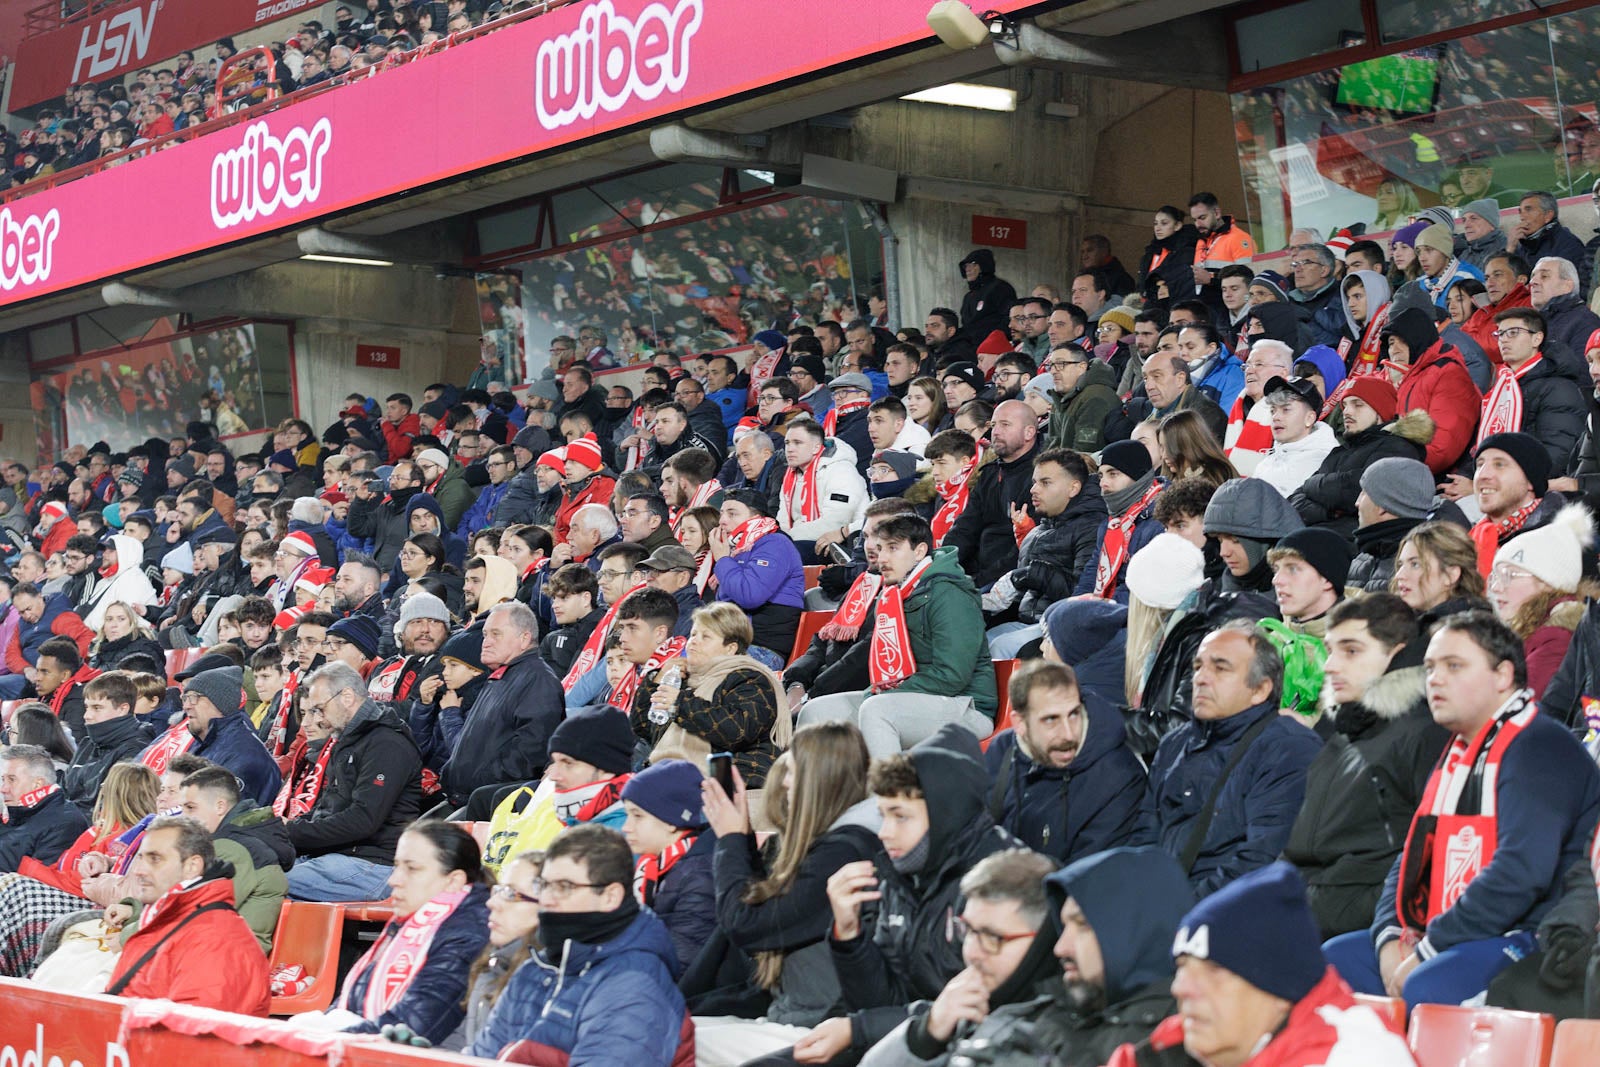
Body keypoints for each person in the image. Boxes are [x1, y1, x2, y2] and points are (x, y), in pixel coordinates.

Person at [1325, 611, 1600, 1005]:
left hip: (1533, 936)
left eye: (1454, 666)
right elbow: (1412, 856)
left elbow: (1521, 874)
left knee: (1431, 985)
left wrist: (1428, 949)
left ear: (1503, 676)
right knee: (1337, 961)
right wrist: (1390, 937)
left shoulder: (1540, 747)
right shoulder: (1459, 749)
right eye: (1431, 667)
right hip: (1451, 929)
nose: (1435, 678)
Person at [780, 725, 1016, 1067]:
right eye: (883, 816)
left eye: (900, 817)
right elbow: (878, 1001)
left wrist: (858, 1029)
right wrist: (849, 936)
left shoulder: (1002, 883)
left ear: (942, 814)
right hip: (898, 1040)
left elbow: (976, 1011)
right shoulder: (897, 874)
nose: (886, 833)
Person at [690, 724, 884, 1063]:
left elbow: (748, 926)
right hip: (787, 1016)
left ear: (817, 780)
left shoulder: (844, 854)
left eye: (793, 771)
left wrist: (730, 840)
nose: (784, 782)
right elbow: (759, 906)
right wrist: (743, 837)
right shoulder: (828, 846)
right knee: (666, 1025)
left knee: (664, 1039)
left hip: (818, 1032)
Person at [1117, 863, 1417, 1067]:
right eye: (1182, 967)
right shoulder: (1183, 1041)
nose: (1180, 988)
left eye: (1214, 970)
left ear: (1278, 989)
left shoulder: (1353, 1055)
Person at [1283, 594, 1450, 938]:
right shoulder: (1346, 729)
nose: (1330, 665)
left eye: (1351, 651)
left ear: (1397, 653)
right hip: (1303, 904)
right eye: (1330, 650)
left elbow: (1433, 862)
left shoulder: (1425, 733)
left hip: (1353, 926)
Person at [466, 824, 690, 1067]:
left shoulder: (635, 982)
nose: (548, 899)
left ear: (610, 896)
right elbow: (480, 1058)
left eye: (564, 887)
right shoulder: (535, 968)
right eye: (545, 885)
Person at [1135, 621, 1322, 896]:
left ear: (1260, 689)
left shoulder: (1289, 748)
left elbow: (1261, 863)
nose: (1200, 678)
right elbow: (1143, 836)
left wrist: (1176, 914)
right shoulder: (1175, 742)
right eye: (1198, 667)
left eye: (1220, 668)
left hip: (1220, 919)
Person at [798, 515, 995, 757]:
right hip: (909, 698)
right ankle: (824, 794)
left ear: (920, 551)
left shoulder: (949, 593)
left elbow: (952, 675)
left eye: (893, 548)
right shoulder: (894, 595)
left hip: (967, 706)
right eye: (880, 549)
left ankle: (888, 793)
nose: (882, 559)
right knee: (816, 712)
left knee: (876, 710)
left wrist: (884, 692)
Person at [331, 821, 491, 1044]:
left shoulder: (468, 936)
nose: (393, 880)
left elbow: (410, 1028)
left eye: (412, 869)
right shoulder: (410, 919)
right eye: (396, 866)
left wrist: (321, 1037)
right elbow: (354, 999)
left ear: (454, 881)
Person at [285, 662, 425, 902]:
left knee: (264, 883)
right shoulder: (349, 740)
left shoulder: (386, 744)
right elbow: (328, 810)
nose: (319, 718)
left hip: (374, 864)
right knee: (255, 870)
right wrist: (287, 830)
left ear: (347, 697)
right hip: (339, 856)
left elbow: (363, 820)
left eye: (320, 708)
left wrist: (292, 832)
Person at [103, 814, 271, 1013]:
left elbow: (194, 1036)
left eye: (155, 859)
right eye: (141, 858)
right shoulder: (168, 920)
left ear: (192, 866)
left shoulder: (214, 939)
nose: (139, 870)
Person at [984, 660, 1145, 865]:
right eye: (1051, 719)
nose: (1068, 734)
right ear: (1020, 723)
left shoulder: (1119, 776)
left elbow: (1089, 881)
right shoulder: (1002, 751)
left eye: (1074, 714)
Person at [637, 602, 787, 788]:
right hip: (676, 777)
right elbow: (642, 727)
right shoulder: (684, 680)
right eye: (693, 634)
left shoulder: (750, 679)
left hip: (730, 780)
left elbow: (737, 730)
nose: (693, 642)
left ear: (730, 648)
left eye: (705, 636)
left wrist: (679, 703)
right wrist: (657, 680)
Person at [442, 602, 565, 813]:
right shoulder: (502, 677)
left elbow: (531, 754)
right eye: (485, 634)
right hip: (468, 799)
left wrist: (480, 783)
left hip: (491, 806)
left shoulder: (538, 680)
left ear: (524, 639)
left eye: (496, 634)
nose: (486, 642)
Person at [984, 448, 1106, 659]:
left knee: (1001, 647)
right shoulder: (1040, 528)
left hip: (1061, 625)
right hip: (1028, 619)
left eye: (1045, 482)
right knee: (978, 640)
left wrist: (1029, 575)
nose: (1034, 489)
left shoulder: (1092, 527)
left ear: (1073, 488)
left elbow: (1081, 593)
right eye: (1034, 482)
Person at [1290, 377, 1428, 539]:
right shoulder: (1339, 451)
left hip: (1356, 543)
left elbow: (1358, 490)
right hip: (1318, 534)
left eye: (1358, 404)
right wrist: (1332, 511)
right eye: (1345, 405)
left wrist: (1312, 485)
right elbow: (1294, 501)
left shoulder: (1398, 447)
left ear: (1380, 412)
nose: (1347, 411)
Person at [1489, 503, 1597, 698]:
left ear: (1548, 583)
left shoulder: (1557, 639)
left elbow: (1519, 712)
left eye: (1509, 575)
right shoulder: (1534, 631)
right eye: (1495, 576)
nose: (1496, 587)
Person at [620, 759, 714, 970]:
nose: (626, 827)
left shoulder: (700, 876)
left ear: (672, 821)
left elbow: (682, 964)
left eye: (637, 816)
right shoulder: (655, 868)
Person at [943, 400, 1041, 588]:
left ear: (1029, 432)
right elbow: (965, 527)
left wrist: (978, 583)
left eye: (1005, 425)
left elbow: (1025, 549)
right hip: (976, 572)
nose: (995, 432)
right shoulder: (989, 473)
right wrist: (943, 563)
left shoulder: (1041, 477)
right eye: (994, 425)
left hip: (1010, 579)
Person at [708, 489, 804, 671]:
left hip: (761, 649)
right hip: (733, 643)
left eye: (732, 513)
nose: (722, 521)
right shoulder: (739, 550)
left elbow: (750, 595)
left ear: (756, 516)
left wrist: (722, 560)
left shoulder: (775, 543)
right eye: (721, 513)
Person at [461, 850, 545, 1051]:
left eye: (511, 894)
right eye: (498, 891)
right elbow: (467, 1044)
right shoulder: (494, 960)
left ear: (549, 906)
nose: (492, 903)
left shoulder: (547, 981)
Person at [1072, 440, 1164, 603]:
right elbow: (1092, 572)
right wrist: (1075, 604)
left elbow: (1141, 587)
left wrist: (1098, 607)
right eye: (1101, 475)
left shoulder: (1161, 520)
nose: (1103, 483)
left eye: (1113, 474)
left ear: (1138, 476)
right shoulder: (1110, 524)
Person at [1468, 432, 1568, 577]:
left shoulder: (1558, 541)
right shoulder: (1471, 535)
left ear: (1530, 481)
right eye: (1480, 464)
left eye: (1499, 465)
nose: (1483, 475)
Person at [179, 666, 282, 807]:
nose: (186, 706)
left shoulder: (244, 755)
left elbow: (218, 816)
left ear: (219, 702)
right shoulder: (205, 740)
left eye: (193, 698)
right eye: (185, 699)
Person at [777, 418, 867, 565]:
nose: (790, 449)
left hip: (844, 542)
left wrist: (784, 540)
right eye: (787, 443)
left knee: (783, 554)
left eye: (797, 443)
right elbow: (783, 522)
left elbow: (835, 522)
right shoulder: (790, 476)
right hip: (802, 539)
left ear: (816, 447)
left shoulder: (841, 470)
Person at [63, 671, 154, 817]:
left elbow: (112, 808)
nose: (87, 716)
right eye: (87, 707)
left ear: (122, 709)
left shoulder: (137, 749)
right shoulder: (88, 743)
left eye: (97, 708)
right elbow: (65, 789)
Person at [0, 744, 90, 871]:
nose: (3, 789)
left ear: (37, 784)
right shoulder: (12, 813)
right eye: (3, 779)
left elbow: (40, 880)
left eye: (12, 780)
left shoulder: (65, 823)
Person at [1253, 376, 1338, 500]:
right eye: (1273, 411)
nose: (1276, 417)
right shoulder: (1266, 462)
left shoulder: (1325, 463)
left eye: (1286, 409)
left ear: (1309, 418)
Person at [1269, 527, 1351, 637]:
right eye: (1276, 569)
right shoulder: (1268, 646)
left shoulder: (1368, 642)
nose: (1276, 580)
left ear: (1327, 579)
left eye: (1292, 569)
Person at [1044, 346, 1119, 453]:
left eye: (1060, 364)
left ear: (1082, 367)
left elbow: (1084, 452)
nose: (1052, 371)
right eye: (1050, 365)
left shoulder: (1095, 397)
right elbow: (1051, 445)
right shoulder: (1059, 398)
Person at [957, 250, 1017, 345]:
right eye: (965, 266)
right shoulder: (968, 296)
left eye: (972, 264)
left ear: (984, 266)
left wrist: (989, 340)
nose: (967, 269)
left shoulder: (1000, 288)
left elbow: (1008, 319)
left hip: (993, 346)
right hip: (970, 348)